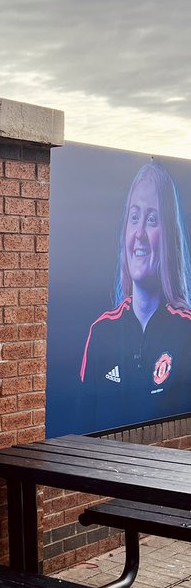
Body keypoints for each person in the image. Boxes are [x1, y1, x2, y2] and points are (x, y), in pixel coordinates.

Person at [80, 161, 191, 430]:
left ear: (169, 237)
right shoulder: (101, 331)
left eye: (152, 219)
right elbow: (81, 430)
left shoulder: (186, 330)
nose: (139, 233)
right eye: (134, 217)